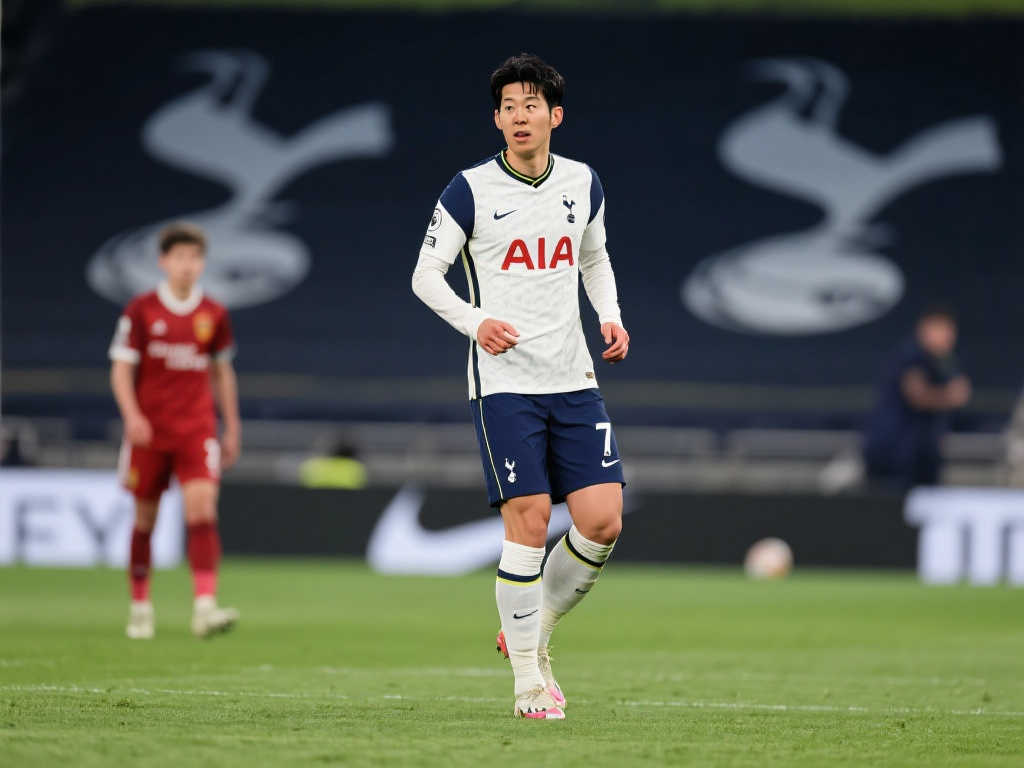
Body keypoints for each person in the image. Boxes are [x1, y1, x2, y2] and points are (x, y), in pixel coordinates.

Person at [412, 53, 629, 720]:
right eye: (508, 107)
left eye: (531, 104)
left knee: (602, 520)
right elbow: (425, 275)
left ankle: (532, 626)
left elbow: (594, 255)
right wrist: (476, 322)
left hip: (574, 377)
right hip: (505, 384)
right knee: (529, 521)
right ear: (498, 120)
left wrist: (611, 315)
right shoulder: (469, 190)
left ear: (554, 115)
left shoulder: (582, 181)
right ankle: (529, 682)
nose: (519, 116)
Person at [109, 222, 241, 639]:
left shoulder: (214, 313)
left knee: (202, 510)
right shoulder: (141, 310)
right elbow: (121, 369)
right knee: (145, 519)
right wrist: (132, 416)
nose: (187, 265)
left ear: (202, 263)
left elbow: (222, 373)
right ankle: (140, 606)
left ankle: (204, 607)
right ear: (163, 261)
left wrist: (232, 426)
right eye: (180, 257)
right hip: (150, 432)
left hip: (196, 429)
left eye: (195, 257)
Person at [863, 306, 970, 489]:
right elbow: (917, 395)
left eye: (949, 331)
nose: (946, 336)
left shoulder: (944, 362)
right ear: (924, 328)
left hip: (922, 454)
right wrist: (950, 396)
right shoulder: (912, 355)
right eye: (939, 329)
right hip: (895, 454)